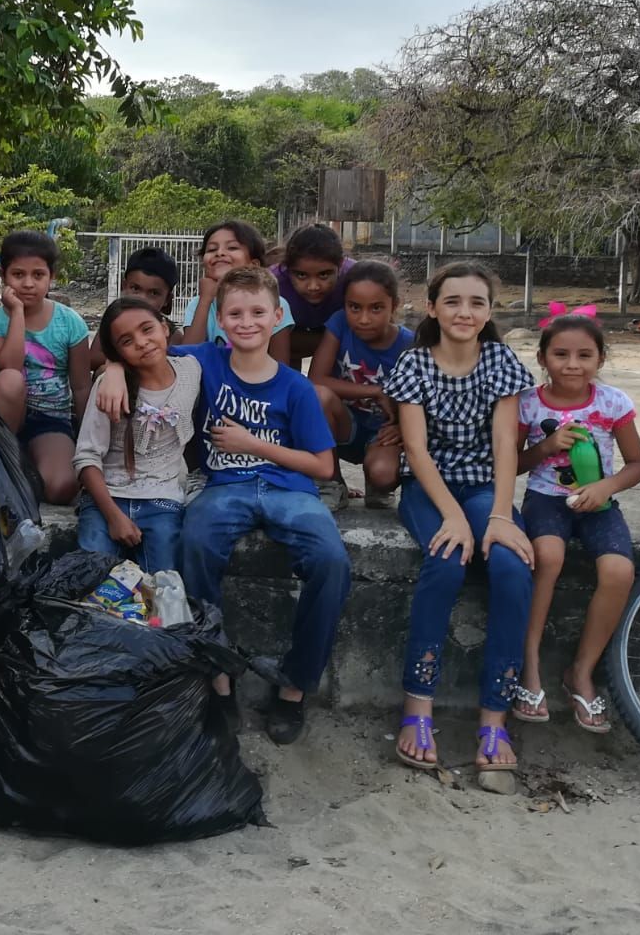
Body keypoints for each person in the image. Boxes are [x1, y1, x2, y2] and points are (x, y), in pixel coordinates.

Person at [100, 265, 349, 745]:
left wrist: (255, 444)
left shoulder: (295, 387)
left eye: (258, 312)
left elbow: (321, 465)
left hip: (289, 490)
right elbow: (142, 348)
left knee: (332, 561)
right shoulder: (204, 362)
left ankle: (294, 687)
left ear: (277, 316)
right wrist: (113, 366)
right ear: (219, 317)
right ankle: (217, 679)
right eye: (235, 312)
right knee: (194, 542)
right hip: (225, 488)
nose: (247, 321)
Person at [383, 262, 535, 789]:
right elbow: (417, 451)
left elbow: (504, 447)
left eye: (476, 303)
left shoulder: (500, 361)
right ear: (432, 308)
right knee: (446, 561)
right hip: (429, 489)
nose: (464, 312)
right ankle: (416, 706)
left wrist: (497, 515)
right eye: (452, 302)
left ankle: (494, 720)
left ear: (490, 311)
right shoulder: (414, 365)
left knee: (513, 568)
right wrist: (454, 517)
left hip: (485, 489)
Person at [512, 316, 640, 733]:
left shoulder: (612, 403)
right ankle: (529, 666)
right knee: (547, 556)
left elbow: (638, 465)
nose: (573, 364)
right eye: (561, 354)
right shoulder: (529, 404)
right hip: (546, 500)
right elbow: (512, 464)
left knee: (619, 570)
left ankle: (581, 672)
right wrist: (547, 446)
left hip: (598, 502)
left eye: (585, 355)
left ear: (600, 358)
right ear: (542, 358)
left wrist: (606, 487)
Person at [73, 298, 201, 572]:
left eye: (147, 329)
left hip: (163, 499)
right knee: (91, 580)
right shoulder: (108, 388)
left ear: (164, 327)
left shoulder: (192, 370)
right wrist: (113, 516)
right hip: (107, 497)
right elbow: (86, 458)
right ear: (117, 352)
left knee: (165, 586)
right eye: (127, 341)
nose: (142, 342)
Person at [0, 230, 92, 504]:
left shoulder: (70, 323)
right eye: (18, 275)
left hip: (51, 419)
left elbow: (80, 386)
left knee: (62, 488)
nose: (28, 284)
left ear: (51, 277)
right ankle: (5, 457)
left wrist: (87, 444)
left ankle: (31, 463)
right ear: (3, 274)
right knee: (10, 380)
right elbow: (9, 365)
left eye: (38, 275)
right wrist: (17, 313)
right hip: (6, 418)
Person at [308, 260, 414, 507]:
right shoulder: (339, 324)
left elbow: (426, 401)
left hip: (384, 433)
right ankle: (332, 482)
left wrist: (403, 429)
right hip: (343, 425)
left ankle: (376, 485)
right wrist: (376, 391)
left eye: (376, 308)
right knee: (317, 395)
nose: (363, 318)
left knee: (383, 474)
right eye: (354, 307)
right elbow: (316, 379)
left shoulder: (410, 345)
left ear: (394, 307)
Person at [179, 220, 293, 365]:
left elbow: (281, 364)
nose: (219, 253)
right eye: (212, 249)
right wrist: (205, 299)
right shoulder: (198, 304)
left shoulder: (276, 303)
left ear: (254, 265)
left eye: (232, 247)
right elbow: (187, 359)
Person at [273, 223, 355, 368]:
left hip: (342, 341)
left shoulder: (356, 279)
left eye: (324, 275)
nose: (313, 287)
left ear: (340, 264)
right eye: (301, 275)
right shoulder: (273, 284)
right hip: (290, 339)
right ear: (287, 267)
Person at [89, 246, 179, 368]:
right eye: (135, 288)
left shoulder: (173, 335)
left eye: (153, 293)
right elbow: (93, 359)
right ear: (124, 286)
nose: (142, 299)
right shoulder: (113, 323)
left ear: (167, 300)